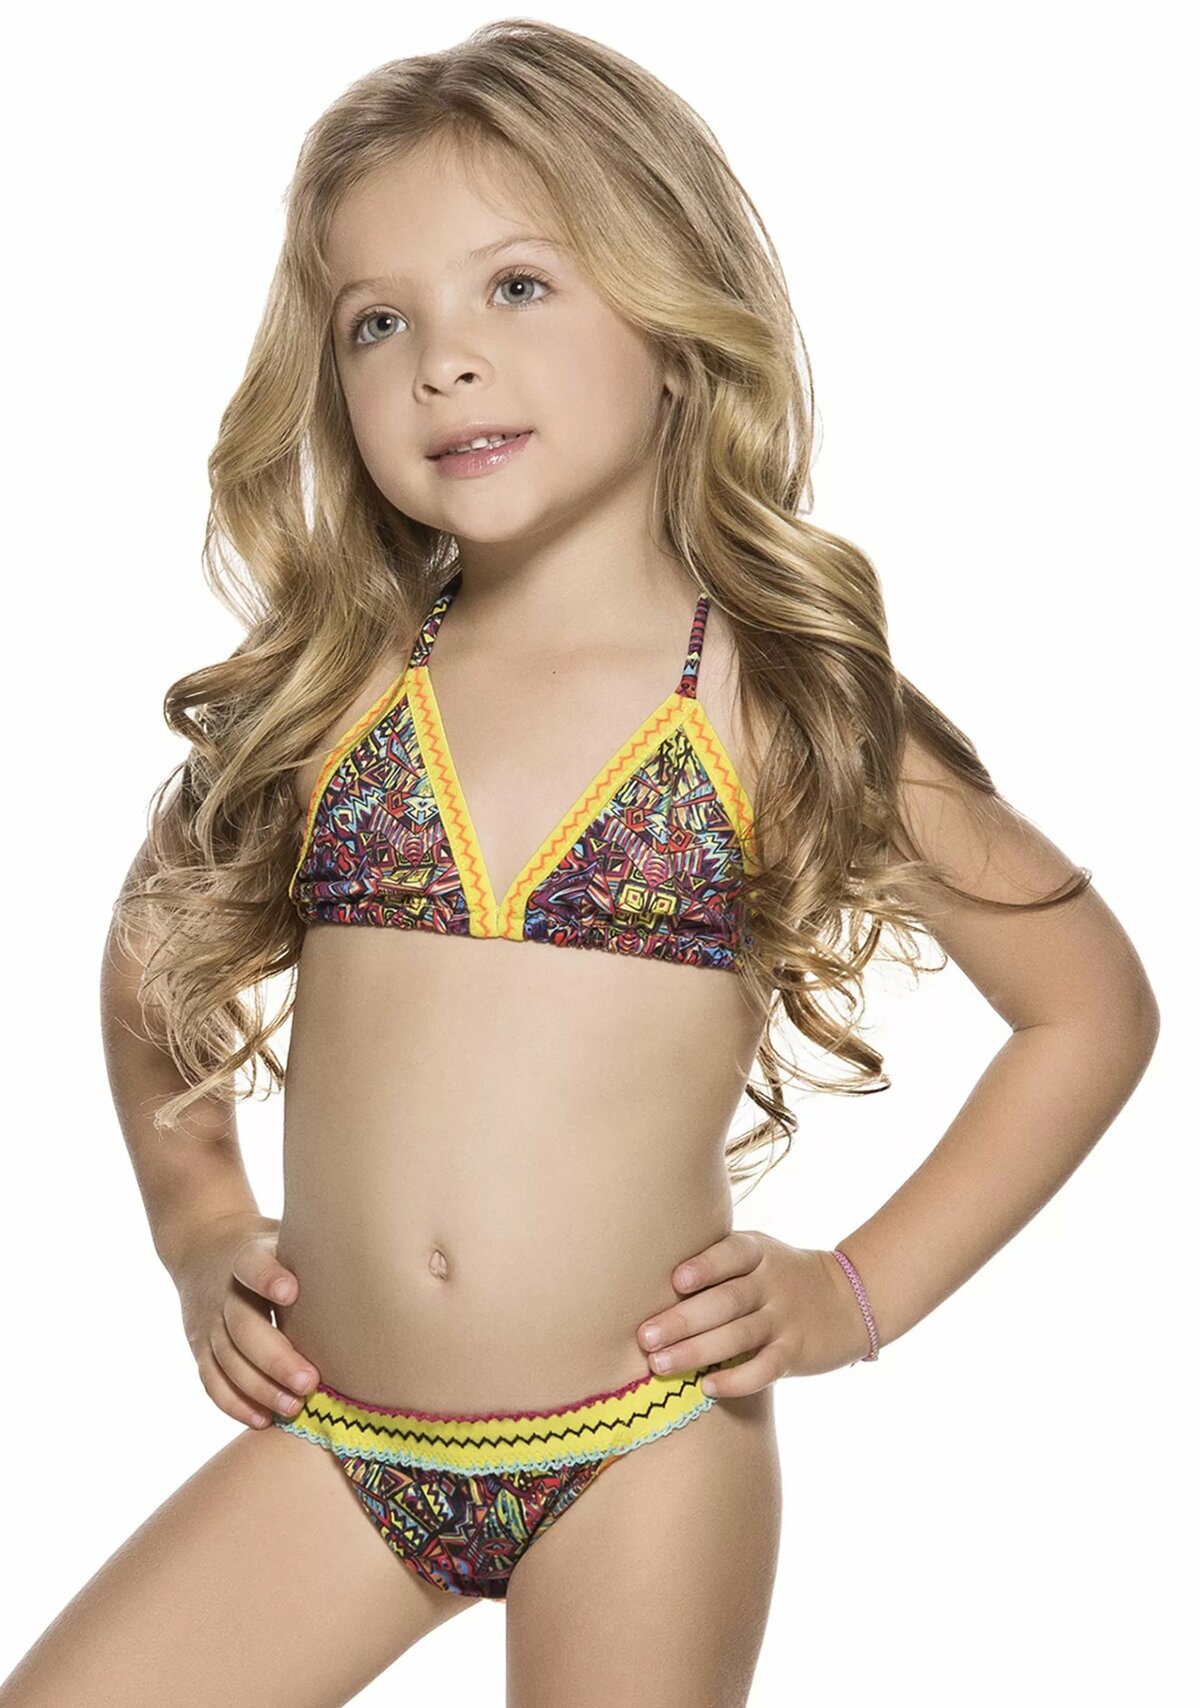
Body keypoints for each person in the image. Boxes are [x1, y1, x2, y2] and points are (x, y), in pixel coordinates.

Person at [0, 17, 1159, 1708]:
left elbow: (1088, 1008)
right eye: (379, 322)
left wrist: (856, 1293)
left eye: (517, 287)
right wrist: (197, 1225)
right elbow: (149, 964)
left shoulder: (777, 706)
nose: (442, 364)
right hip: (341, 1436)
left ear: (675, 323)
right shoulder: (334, 694)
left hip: (645, 1449)